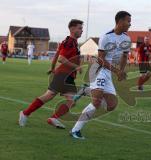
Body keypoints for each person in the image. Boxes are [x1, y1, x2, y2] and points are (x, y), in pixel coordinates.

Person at [70, 11, 132, 139]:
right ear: (120, 22)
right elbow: (100, 60)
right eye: (128, 21)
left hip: (109, 72)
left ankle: (87, 90)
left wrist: (121, 71)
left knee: (112, 105)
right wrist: (117, 71)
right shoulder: (106, 37)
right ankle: (75, 131)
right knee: (97, 102)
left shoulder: (127, 38)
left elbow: (125, 56)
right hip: (99, 70)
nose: (130, 24)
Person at [19, 19, 85, 129]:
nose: (82, 31)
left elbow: (56, 56)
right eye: (80, 28)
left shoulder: (68, 41)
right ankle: (48, 117)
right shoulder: (69, 42)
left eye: (82, 28)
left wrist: (52, 68)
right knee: (70, 100)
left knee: (51, 96)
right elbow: (61, 58)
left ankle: (27, 113)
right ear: (72, 29)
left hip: (64, 75)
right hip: (64, 75)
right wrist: (76, 67)